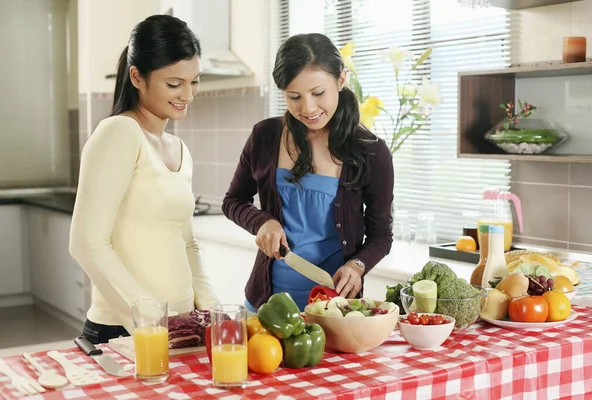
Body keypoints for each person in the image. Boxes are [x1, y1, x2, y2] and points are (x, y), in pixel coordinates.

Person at [70, 15, 219, 344]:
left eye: (194, 81)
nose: (188, 94)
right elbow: (86, 242)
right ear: (137, 76)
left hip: (178, 328)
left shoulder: (179, 149)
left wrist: (212, 311)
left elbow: (187, 242)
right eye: (173, 83)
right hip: (125, 330)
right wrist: (149, 316)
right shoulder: (119, 133)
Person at [222, 33, 394, 312]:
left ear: (341, 79)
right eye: (294, 97)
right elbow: (233, 201)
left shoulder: (371, 151)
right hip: (266, 307)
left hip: (335, 311)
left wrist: (357, 265)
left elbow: (380, 235)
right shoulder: (265, 135)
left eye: (318, 93)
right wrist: (262, 222)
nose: (308, 108)